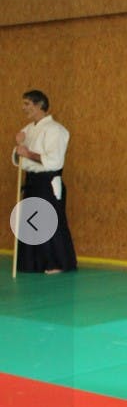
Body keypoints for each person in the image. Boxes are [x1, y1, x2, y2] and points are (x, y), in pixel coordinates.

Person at [12, 90, 77, 274]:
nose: (23, 108)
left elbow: (54, 160)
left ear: (40, 105)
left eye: (27, 104)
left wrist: (27, 153)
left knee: (49, 221)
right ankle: (33, 263)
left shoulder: (56, 130)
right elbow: (20, 158)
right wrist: (19, 148)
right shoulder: (27, 130)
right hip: (32, 180)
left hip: (47, 180)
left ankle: (58, 262)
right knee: (31, 222)